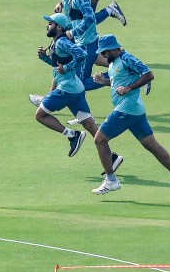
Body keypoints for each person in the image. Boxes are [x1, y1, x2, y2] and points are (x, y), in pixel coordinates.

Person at [90, 35, 170, 199]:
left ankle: (111, 180)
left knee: (99, 139)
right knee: (151, 145)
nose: (103, 55)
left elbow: (148, 74)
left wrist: (129, 88)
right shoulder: (113, 63)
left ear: (111, 48)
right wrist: (105, 82)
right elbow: (119, 81)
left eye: (104, 52)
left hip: (126, 109)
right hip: (135, 110)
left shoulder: (126, 58)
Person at [33, 14, 124, 174]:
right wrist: (45, 59)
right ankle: (111, 158)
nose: (47, 26)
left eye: (50, 23)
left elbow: (81, 55)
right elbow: (58, 65)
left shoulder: (62, 42)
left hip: (67, 89)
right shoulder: (56, 42)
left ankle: (72, 135)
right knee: (89, 124)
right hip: (76, 88)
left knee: (40, 115)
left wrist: (66, 68)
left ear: (59, 27)